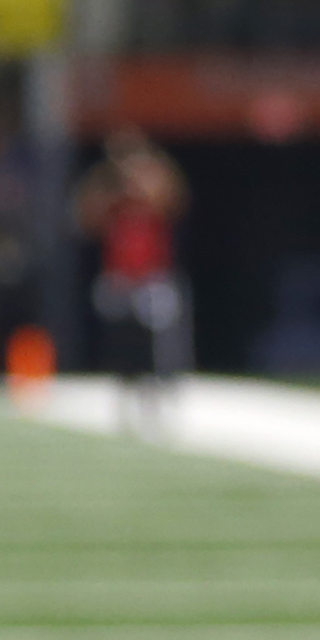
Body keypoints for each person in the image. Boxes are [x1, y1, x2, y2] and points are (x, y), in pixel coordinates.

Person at [75, 126, 188, 431]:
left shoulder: (155, 178)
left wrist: (140, 174)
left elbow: (170, 199)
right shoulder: (107, 189)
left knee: (158, 342)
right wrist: (111, 183)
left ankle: (161, 395)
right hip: (119, 277)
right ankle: (126, 392)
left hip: (152, 276)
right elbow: (85, 218)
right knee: (121, 341)